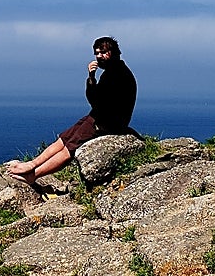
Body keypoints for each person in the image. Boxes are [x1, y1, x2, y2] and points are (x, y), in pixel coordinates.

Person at [7, 36, 137, 185]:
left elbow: (95, 100)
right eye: (96, 53)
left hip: (107, 123)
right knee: (63, 139)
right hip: (100, 116)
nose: (98, 56)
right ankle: (32, 164)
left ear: (113, 52)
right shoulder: (115, 70)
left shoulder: (116, 75)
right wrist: (92, 79)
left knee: (69, 149)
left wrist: (91, 78)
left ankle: (33, 175)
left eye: (103, 52)